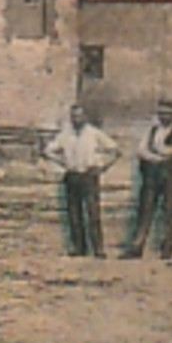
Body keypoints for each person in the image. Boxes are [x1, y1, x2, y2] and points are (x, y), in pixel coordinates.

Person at [42, 104, 120, 258]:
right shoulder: (65, 134)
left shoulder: (94, 133)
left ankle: (98, 248)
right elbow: (48, 150)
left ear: (85, 117)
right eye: (73, 116)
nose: (76, 119)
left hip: (89, 176)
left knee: (93, 213)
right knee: (74, 214)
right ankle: (79, 248)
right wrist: (61, 162)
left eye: (79, 116)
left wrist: (103, 166)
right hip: (72, 175)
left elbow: (116, 150)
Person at [122, 98, 172, 260]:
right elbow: (141, 150)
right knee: (145, 210)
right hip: (151, 175)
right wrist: (157, 157)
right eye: (161, 113)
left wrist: (162, 151)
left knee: (169, 211)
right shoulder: (152, 130)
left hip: (171, 177)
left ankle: (167, 247)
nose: (164, 116)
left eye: (168, 113)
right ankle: (137, 245)